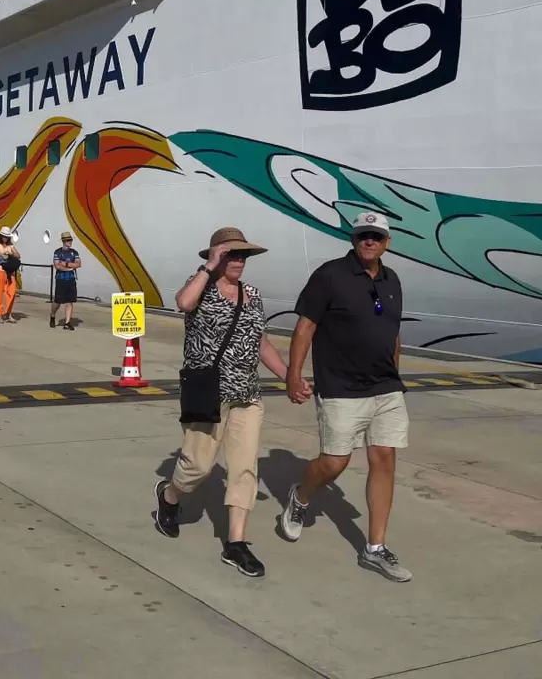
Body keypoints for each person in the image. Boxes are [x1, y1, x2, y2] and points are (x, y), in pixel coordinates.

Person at [153, 227, 295, 578]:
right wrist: (208, 266)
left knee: (244, 469)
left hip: (247, 394)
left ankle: (236, 543)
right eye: (231, 254)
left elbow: (260, 343)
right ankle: (170, 496)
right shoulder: (200, 285)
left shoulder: (253, 294)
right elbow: (183, 304)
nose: (239, 261)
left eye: (243, 255)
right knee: (197, 466)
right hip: (208, 393)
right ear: (216, 255)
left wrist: (289, 376)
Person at [280, 212, 411, 581]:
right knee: (334, 462)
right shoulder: (330, 275)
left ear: (387, 242)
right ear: (353, 239)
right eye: (363, 235)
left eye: (376, 236)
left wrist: (394, 373)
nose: (369, 241)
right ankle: (301, 496)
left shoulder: (392, 280)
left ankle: (375, 548)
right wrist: (293, 375)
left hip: (385, 387)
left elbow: (393, 332)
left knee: (384, 459)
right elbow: (305, 326)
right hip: (340, 386)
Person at [50, 231, 81, 330]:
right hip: (60, 279)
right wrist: (70, 268)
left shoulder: (74, 252)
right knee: (58, 301)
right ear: (63, 241)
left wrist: (66, 264)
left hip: (71, 279)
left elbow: (78, 264)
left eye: (70, 239)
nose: (70, 241)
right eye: (68, 240)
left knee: (69, 301)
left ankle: (67, 323)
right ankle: (52, 314)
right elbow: (57, 266)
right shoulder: (58, 252)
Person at [0, 226, 20, 322]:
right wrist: (1, 254)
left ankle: (8, 313)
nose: (5, 238)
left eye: (7, 236)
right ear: (0, 236)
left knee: (12, 291)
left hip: (9, 271)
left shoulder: (10, 245)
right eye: (4, 236)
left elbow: (18, 255)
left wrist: (10, 254)